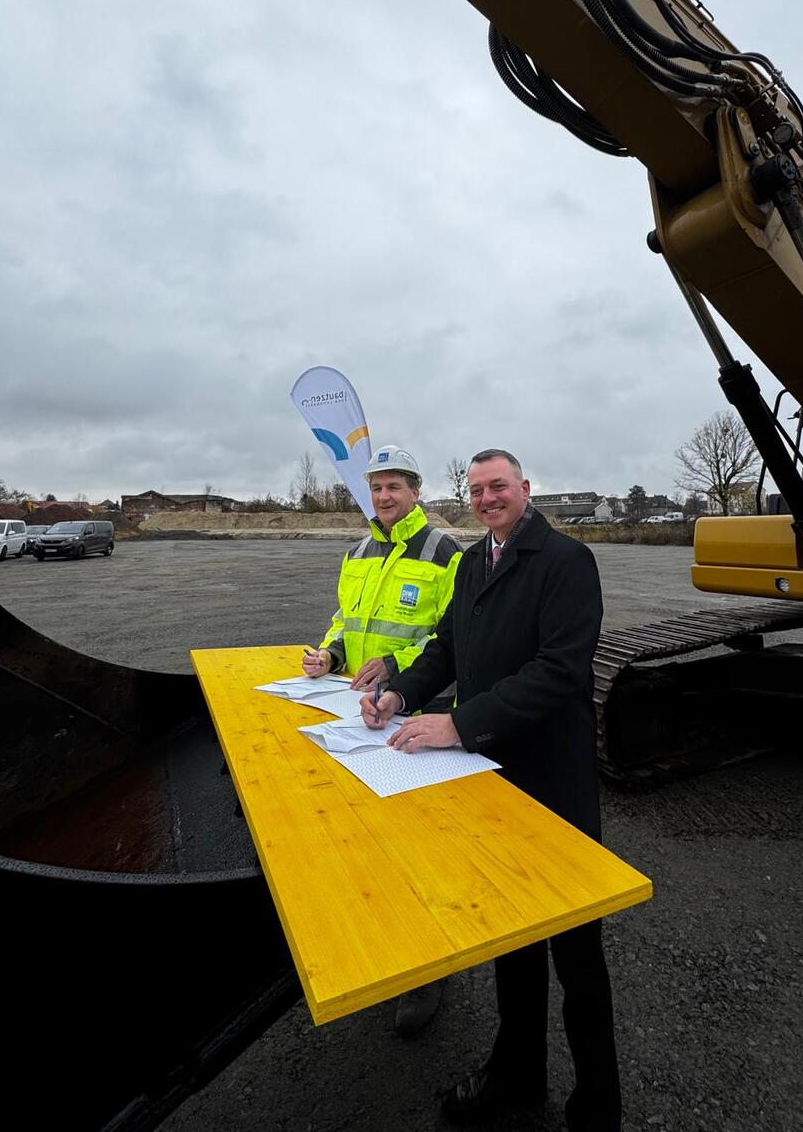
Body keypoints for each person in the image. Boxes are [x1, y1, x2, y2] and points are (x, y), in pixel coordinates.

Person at [360, 448, 620, 1131]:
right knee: (512, 941)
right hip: (490, 781)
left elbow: (561, 672)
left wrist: (459, 722)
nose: (486, 497)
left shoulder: (565, 562)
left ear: (524, 489)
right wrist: (400, 693)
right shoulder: (475, 562)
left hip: (552, 786)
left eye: (497, 485)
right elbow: (447, 647)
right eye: (475, 489)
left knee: (576, 954)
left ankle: (598, 1105)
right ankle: (518, 1075)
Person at [302, 443, 462, 1036]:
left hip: (420, 713)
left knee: (423, 847)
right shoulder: (358, 550)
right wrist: (330, 653)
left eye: (395, 486)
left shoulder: (446, 553)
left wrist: (397, 667)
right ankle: (378, 943)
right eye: (376, 487)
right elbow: (347, 619)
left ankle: (430, 967)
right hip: (359, 711)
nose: (384, 496)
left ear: (416, 491)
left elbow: (453, 637)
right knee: (366, 836)